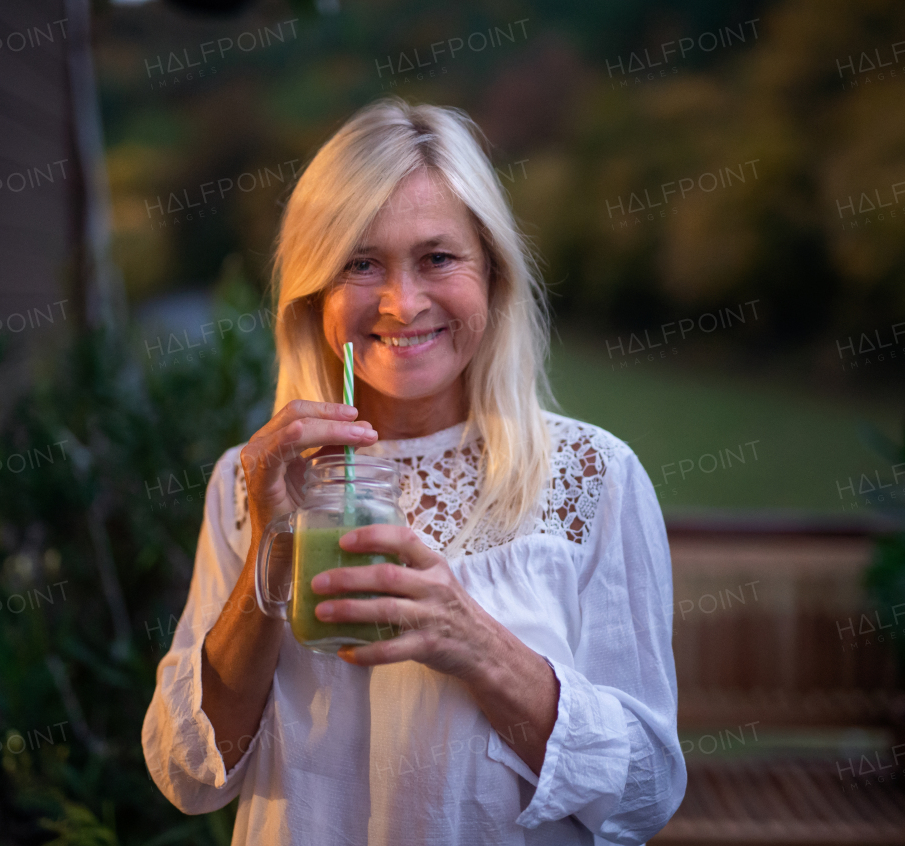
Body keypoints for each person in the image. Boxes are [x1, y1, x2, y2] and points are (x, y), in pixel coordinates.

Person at [142, 96, 686, 845]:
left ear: (492, 274)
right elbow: (190, 773)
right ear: (316, 295)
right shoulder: (252, 479)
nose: (402, 304)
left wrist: (475, 642)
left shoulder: (593, 477)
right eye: (360, 263)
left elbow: (646, 791)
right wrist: (273, 548)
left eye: (437, 258)